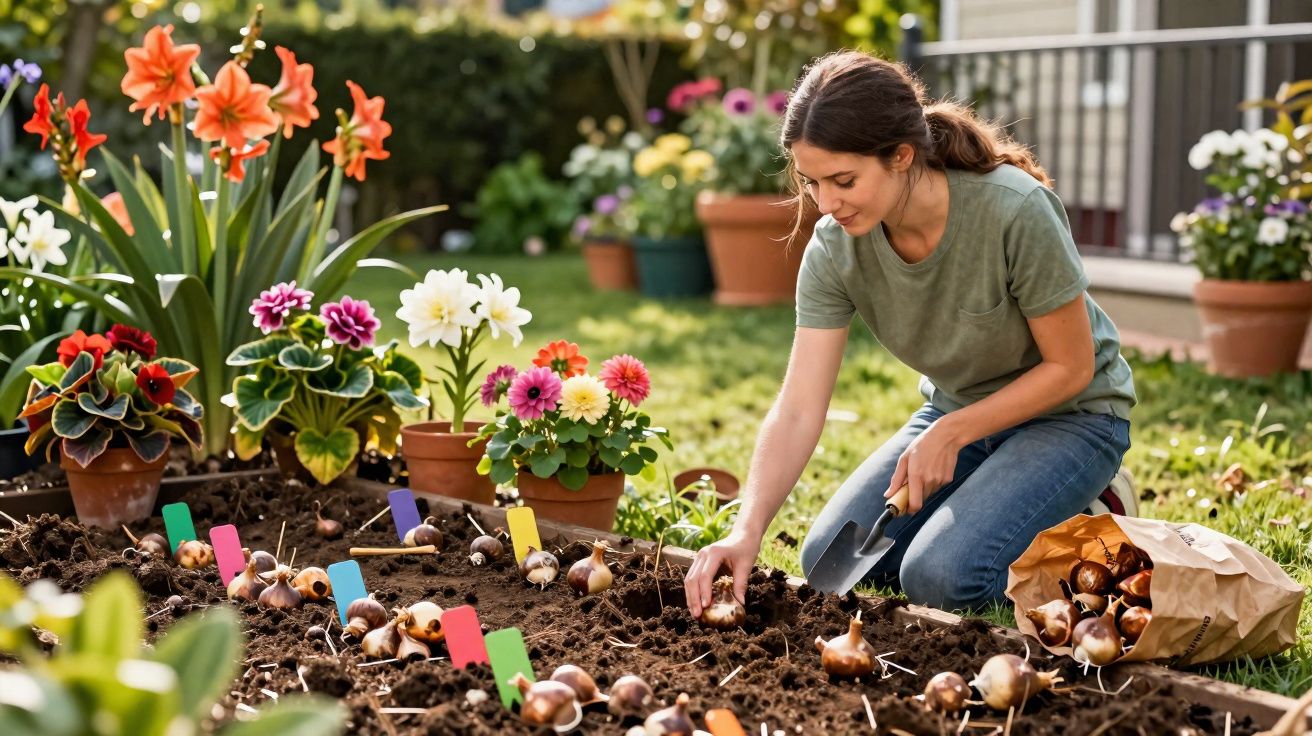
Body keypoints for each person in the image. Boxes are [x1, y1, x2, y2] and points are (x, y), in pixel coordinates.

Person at [683, 50, 1137, 619]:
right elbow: (799, 407)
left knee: (943, 578)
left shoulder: (1014, 211)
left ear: (901, 155)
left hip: (1073, 417)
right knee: (828, 562)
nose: (826, 203)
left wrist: (952, 433)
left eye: (843, 180)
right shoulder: (835, 248)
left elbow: (1072, 369)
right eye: (812, 182)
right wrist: (746, 528)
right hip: (956, 416)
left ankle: (1096, 511)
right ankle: (1007, 498)